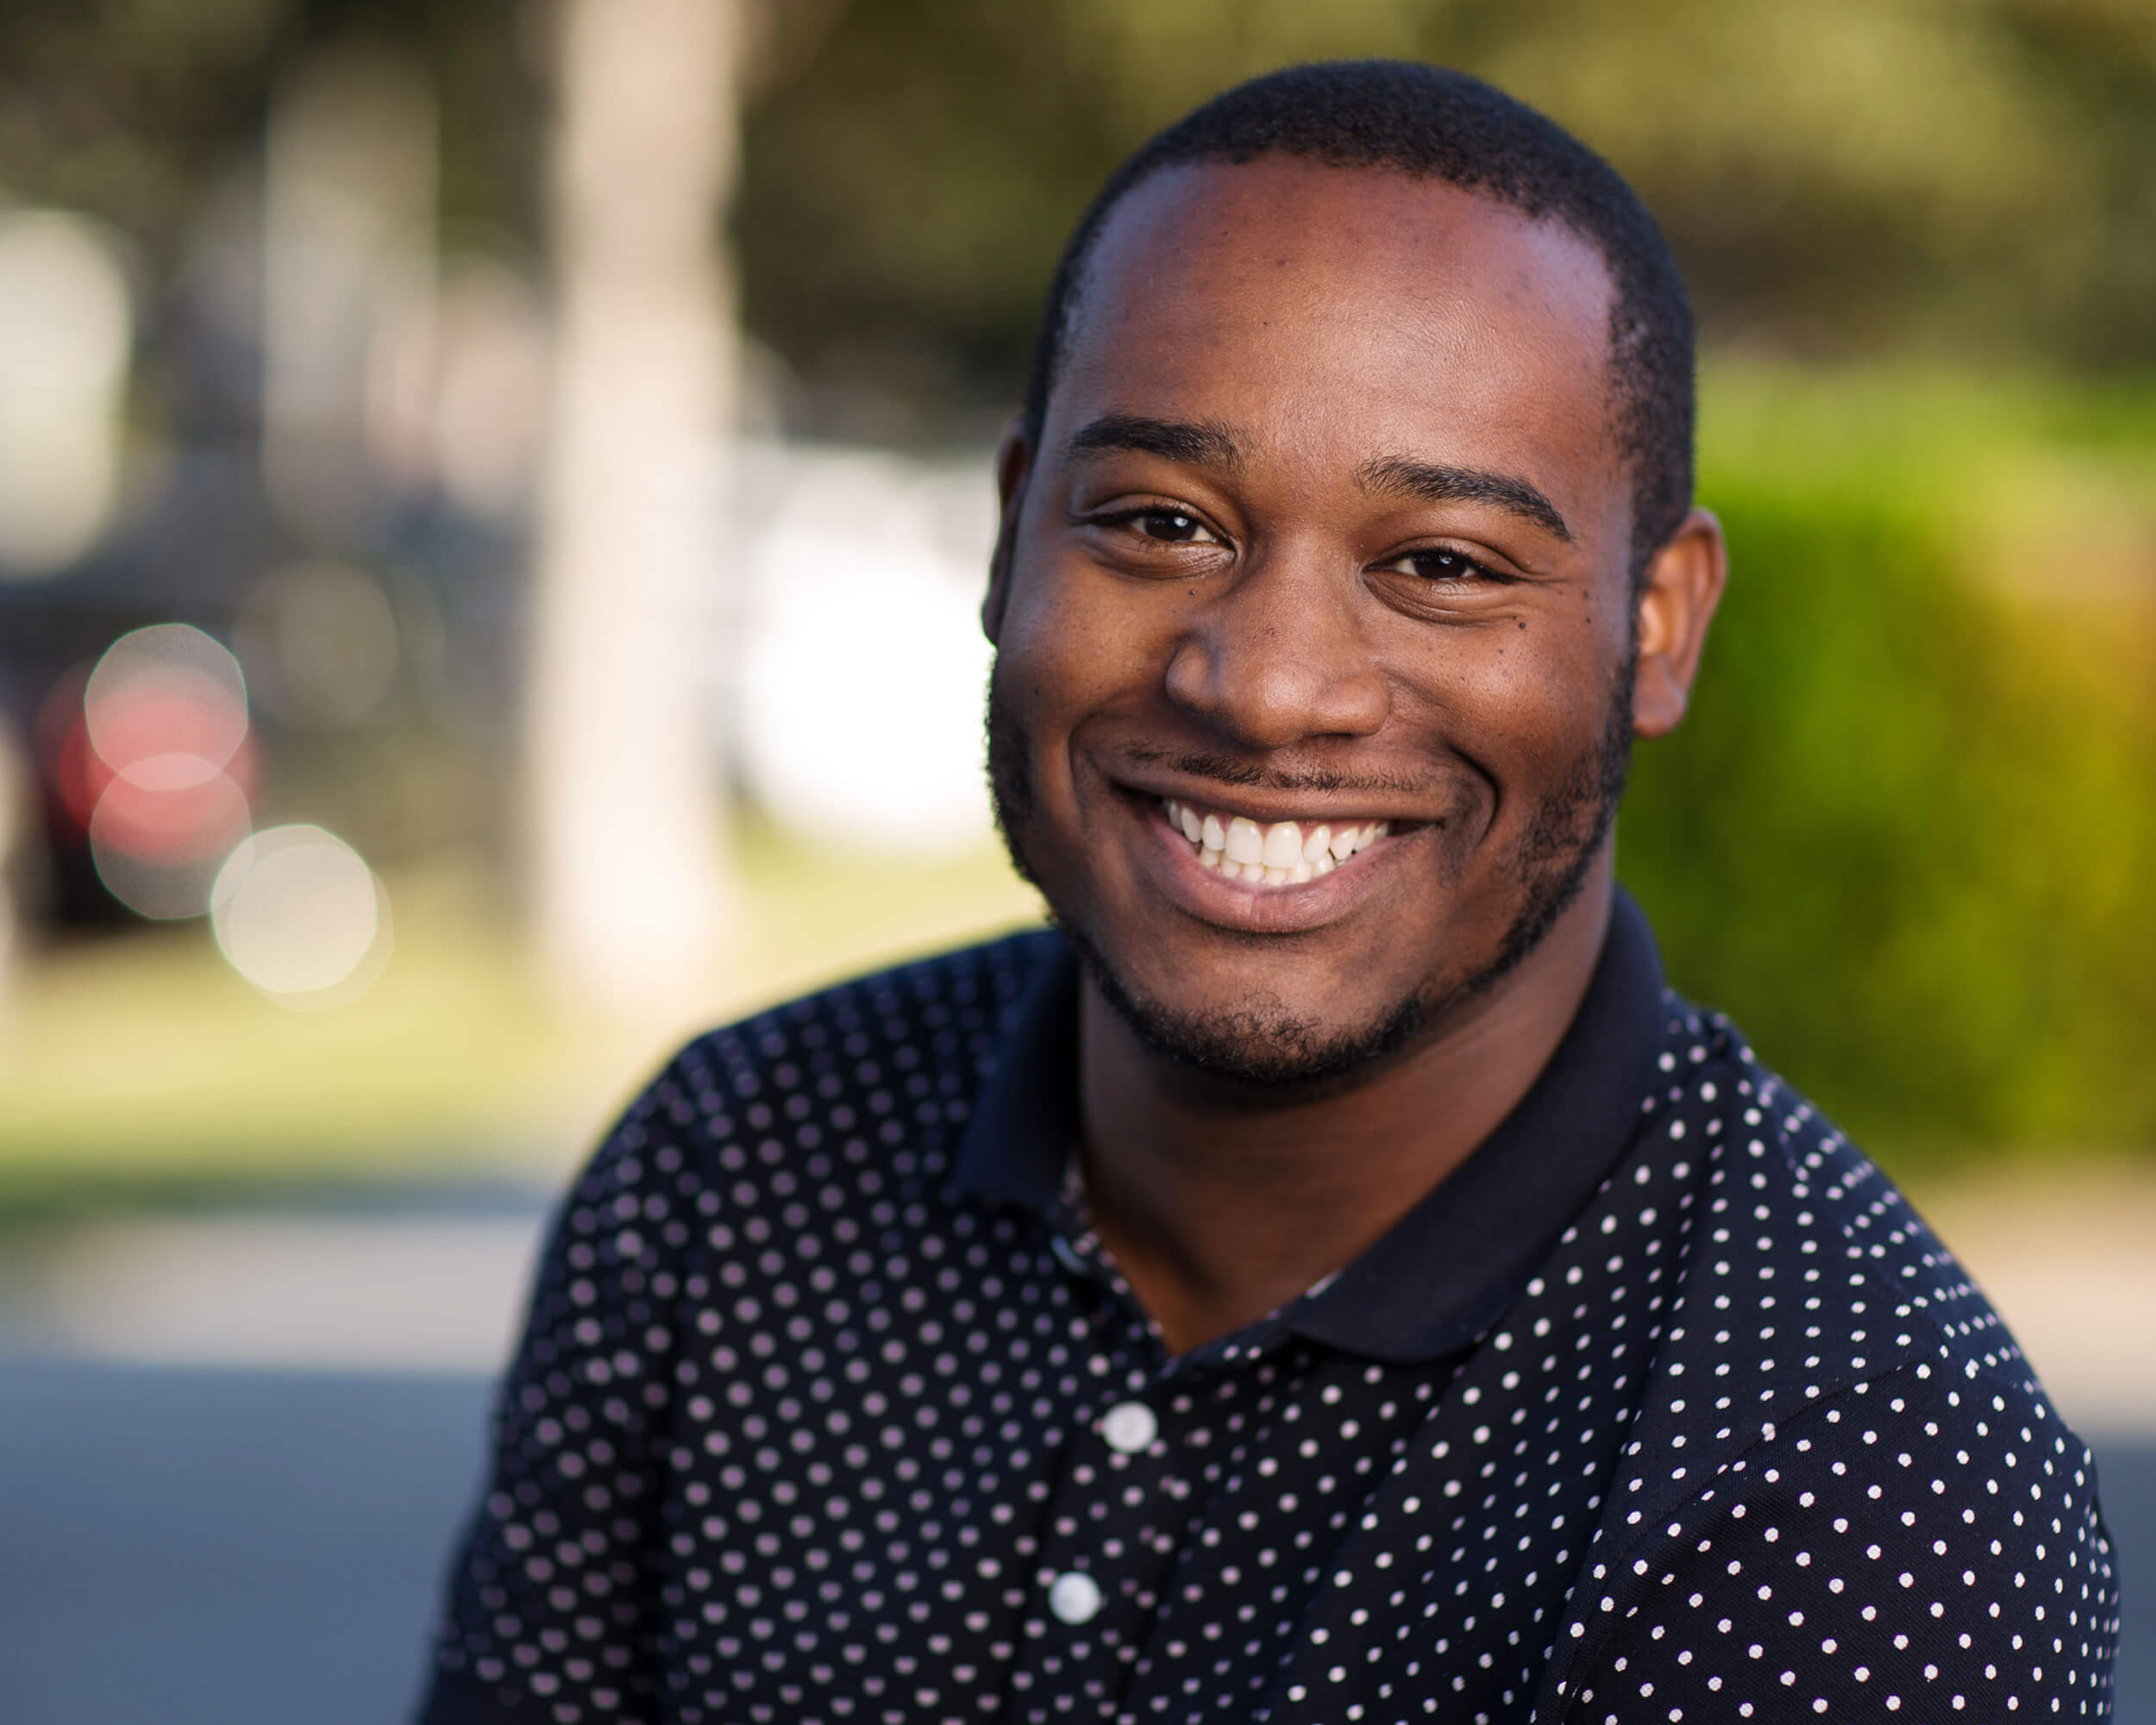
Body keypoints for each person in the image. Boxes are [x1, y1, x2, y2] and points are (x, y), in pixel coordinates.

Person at [417, 61, 2120, 1724]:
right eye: (1159, 522)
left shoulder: (1851, 1470)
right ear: (1014, 536)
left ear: (1655, 624)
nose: (1264, 683)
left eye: (1439, 564)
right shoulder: (732, 1172)